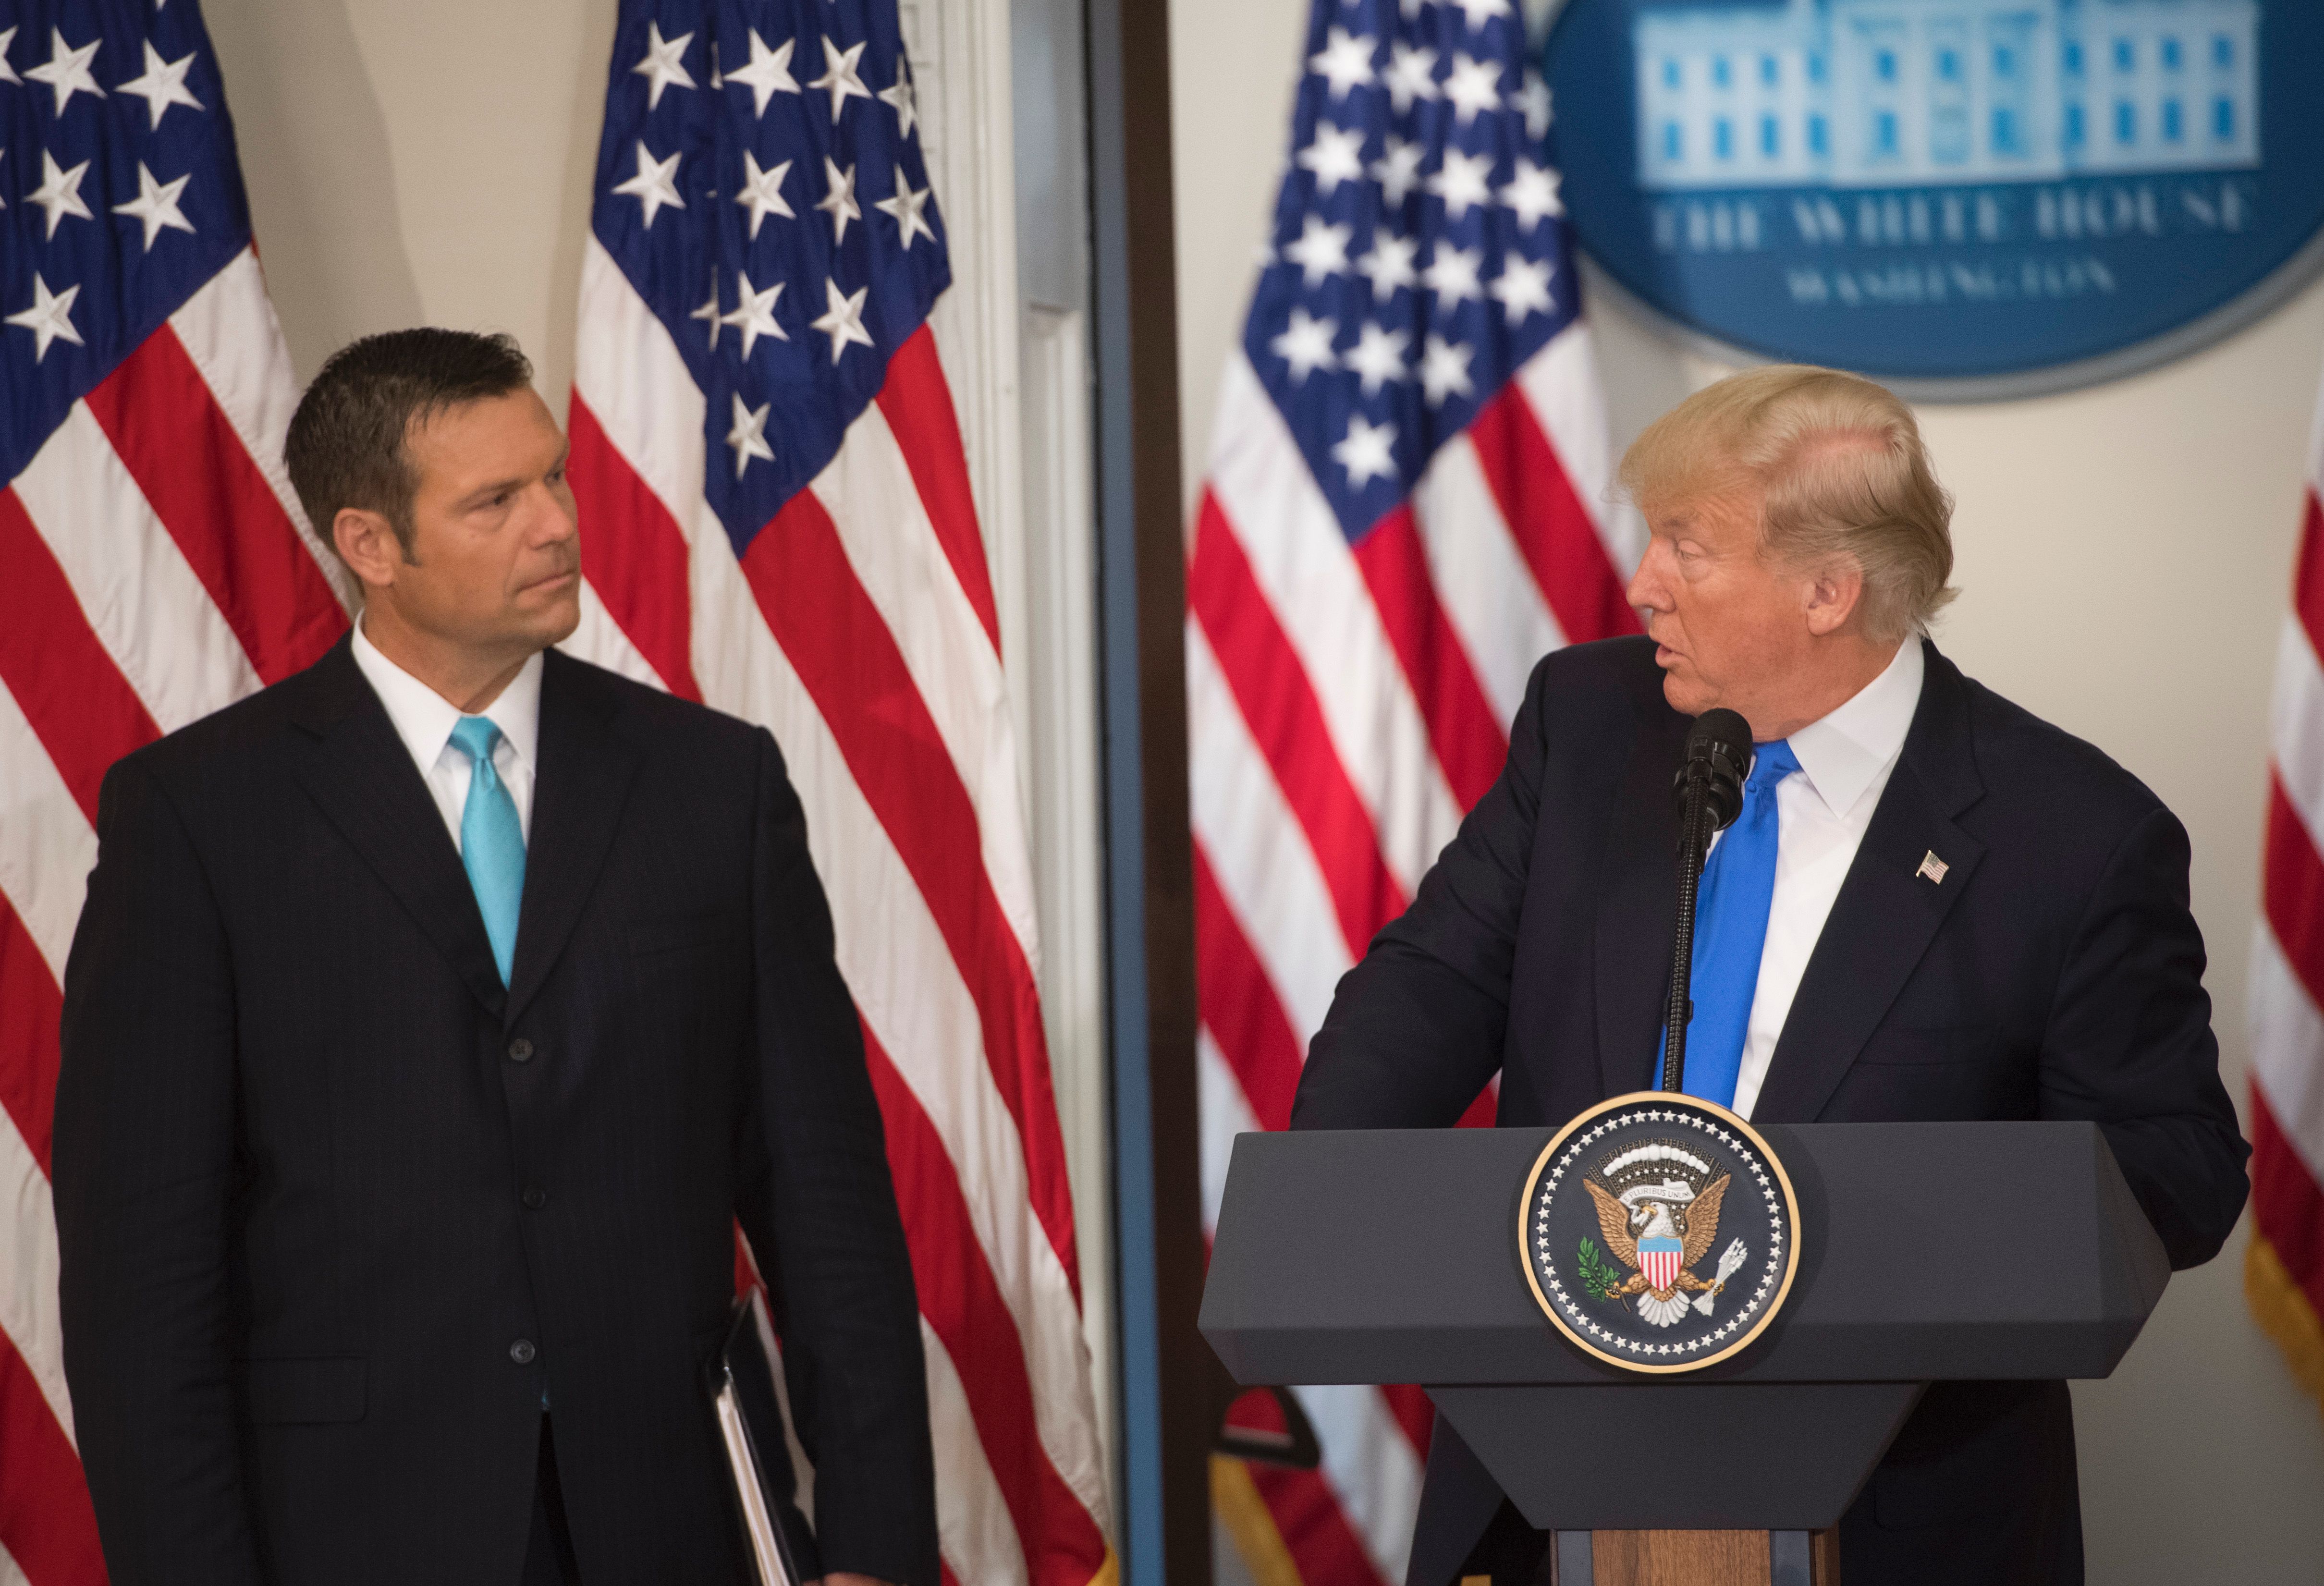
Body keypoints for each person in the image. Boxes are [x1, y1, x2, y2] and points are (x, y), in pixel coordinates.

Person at [1290, 366, 2250, 1586]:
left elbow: (2176, 1161)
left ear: (1826, 591)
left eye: (1686, 547)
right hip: (1554, 1482)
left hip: (1903, 1517)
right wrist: (1334, 1203)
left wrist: (1929, 1242)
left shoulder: (2073, 833)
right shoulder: (1585, 725)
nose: (1643, 584)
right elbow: (1425, 986)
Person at [53, 330, 936, 1586]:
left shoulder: (713, 786)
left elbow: (826, 1198)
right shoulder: (196, 817)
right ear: (370, 545)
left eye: (555, 477)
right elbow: (142, 1282)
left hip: (672, 1523)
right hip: (346, 1535)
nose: (556, 524)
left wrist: (876, 1543)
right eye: (495, 500)